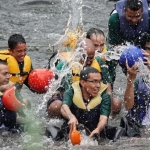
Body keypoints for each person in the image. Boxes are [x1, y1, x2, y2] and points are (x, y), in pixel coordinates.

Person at [47, 38, 114, 118]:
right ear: (77, 54)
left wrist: (107, 108)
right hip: (68, 98)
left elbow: (108, 88)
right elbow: (65, 94)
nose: (88, 62)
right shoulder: (65, 66)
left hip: (92, 95)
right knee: (56, 106)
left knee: (116, 103)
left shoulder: (99, 62)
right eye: (85, 58)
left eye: (91, 58)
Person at [86, 28, 122, 116]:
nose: (99, 49)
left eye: (101, 45)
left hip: (99, 89)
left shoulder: (109, 56)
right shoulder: (78, 56)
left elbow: (110, 84)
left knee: (116, 103)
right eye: (95, 45)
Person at [122, 46, 150, 137]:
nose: (147, 53)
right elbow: (128, 106)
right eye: (147, 49)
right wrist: (131, 80)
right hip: (140, 124)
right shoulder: (139, 81)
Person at [0, 59, 23, 132]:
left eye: (9, 74)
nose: (8, 77)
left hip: (10, 129)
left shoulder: (11, 91)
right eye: (5, 74)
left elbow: (24, 111)